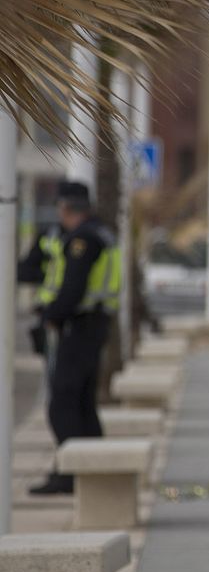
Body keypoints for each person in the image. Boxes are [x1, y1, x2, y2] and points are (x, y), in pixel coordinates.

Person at [17, 180, 122, 495]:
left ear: (64, 207)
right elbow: (28, 270)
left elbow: (73, 290)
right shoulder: (95, 234)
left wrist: (51, 316)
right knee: (82, 403)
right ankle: (93, 469)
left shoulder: (83, 240)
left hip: (79, 327)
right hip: (91, 326)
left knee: (62, 403)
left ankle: (71, 473)